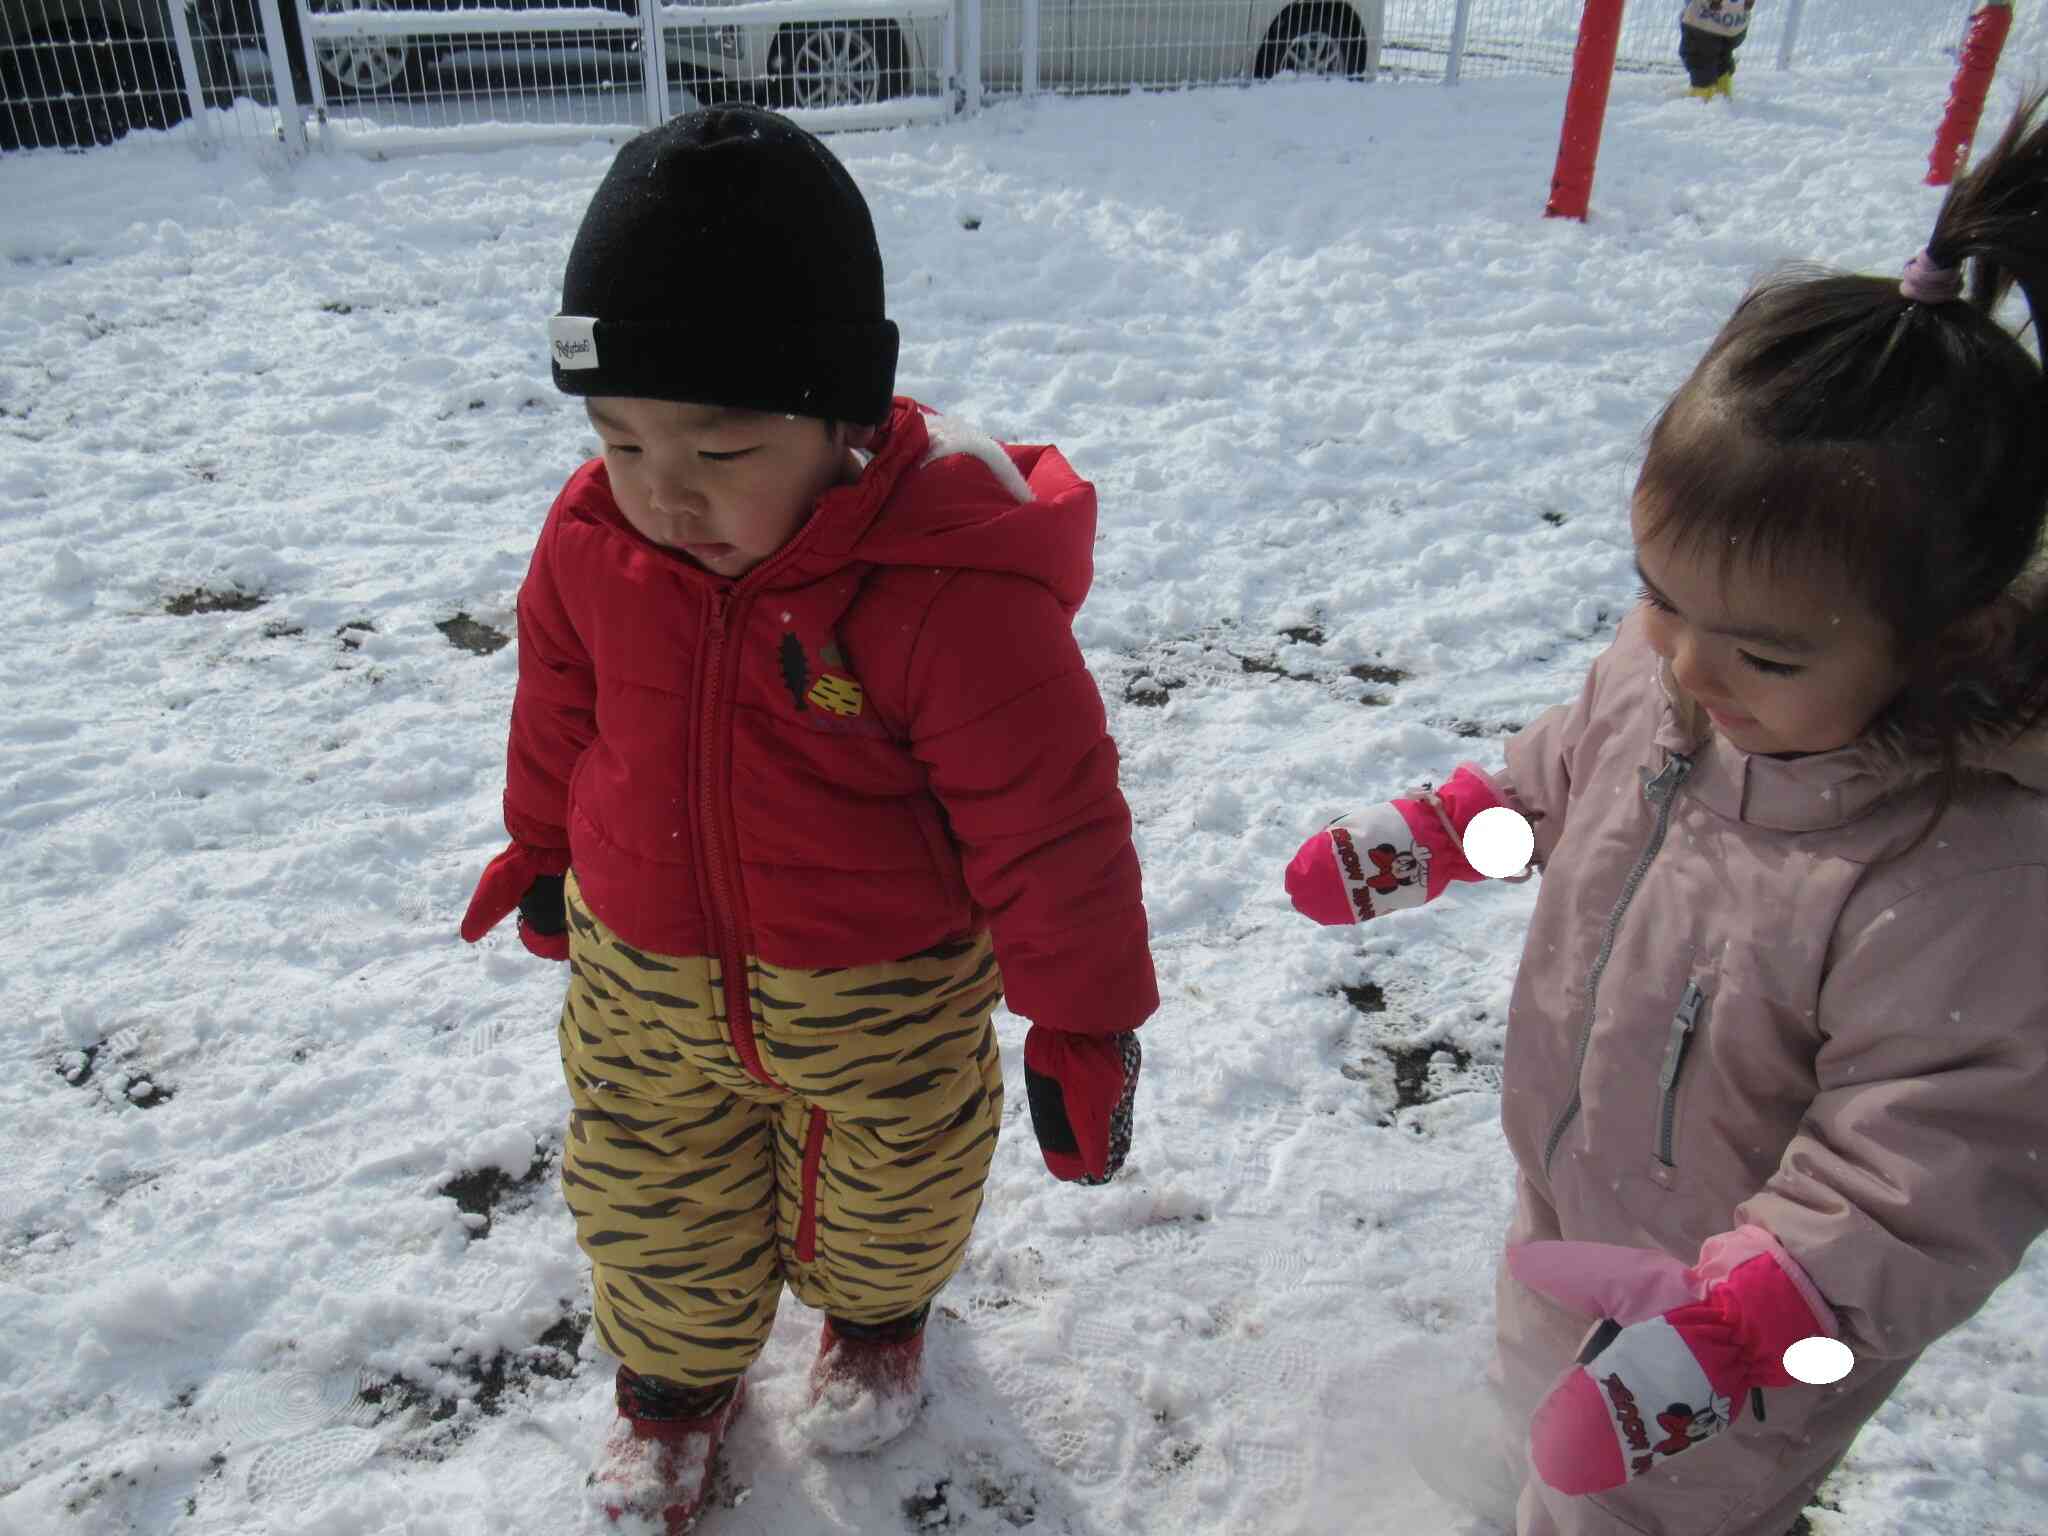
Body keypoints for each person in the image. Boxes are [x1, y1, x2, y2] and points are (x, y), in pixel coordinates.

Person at [1285, 92, 2048, 1536]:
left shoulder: (1960, 872)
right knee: (1539, 1411)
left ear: (1938, 649)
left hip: (1746, 1331)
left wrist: (1733, 1328)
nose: (1692, 666)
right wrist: (1454, 830)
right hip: (1572, 1196)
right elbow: (1563, 777)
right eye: (1661, 598)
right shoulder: (1675, 684)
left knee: (1644, 1512)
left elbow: (1929, 1168)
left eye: (1764, 650)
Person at [460, 105, 1157, 1535]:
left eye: (717, 451)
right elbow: (559, 705)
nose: (663, 494)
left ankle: (879, 1313)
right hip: (646, 976)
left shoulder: (943, 591)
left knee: (894, 1187)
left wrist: (1082, 1024)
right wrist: (540, 847)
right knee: (650, 1187)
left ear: (843, 421)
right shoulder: (597, 542)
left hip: (882, 997)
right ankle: (670, 1388)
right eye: (620, 439)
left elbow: (1052, 824)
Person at [1679, 0, 1753, 99]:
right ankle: (1722, 92)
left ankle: (1700, 100)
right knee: (1722, 55)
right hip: (1735, 22)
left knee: (1700, 58)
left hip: (1705, 23)